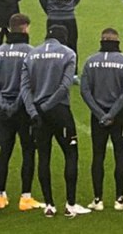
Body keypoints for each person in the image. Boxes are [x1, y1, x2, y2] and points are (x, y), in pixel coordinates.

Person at [21, 25, 85, 218]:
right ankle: (70, 204)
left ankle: (49, 205)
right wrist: (49, 105)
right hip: (59, 110)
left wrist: (34, 111)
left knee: (44, 156)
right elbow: (65, 85)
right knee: (71, 154)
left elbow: (24, 88)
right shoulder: (68, 53)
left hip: (37, 112)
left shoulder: (31, 55)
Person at [0, 13, 43, 211]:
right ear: (25, 28)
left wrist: (3, 103)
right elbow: (30, 84)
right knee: (28, 151)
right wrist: (18, 103)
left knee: (4, 153)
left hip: (3, 110)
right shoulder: (30, 52)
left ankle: (0, 194)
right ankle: (25, 197)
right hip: (23, 109)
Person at [80, 28, 123, 212]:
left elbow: (85, 91)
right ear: (117, 41)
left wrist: (100, 114)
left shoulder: (90, 61)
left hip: (98, 116)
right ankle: (120, 199)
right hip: (118, 115)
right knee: (120, 155)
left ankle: (98, 199)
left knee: (98, 155)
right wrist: (112, 114)